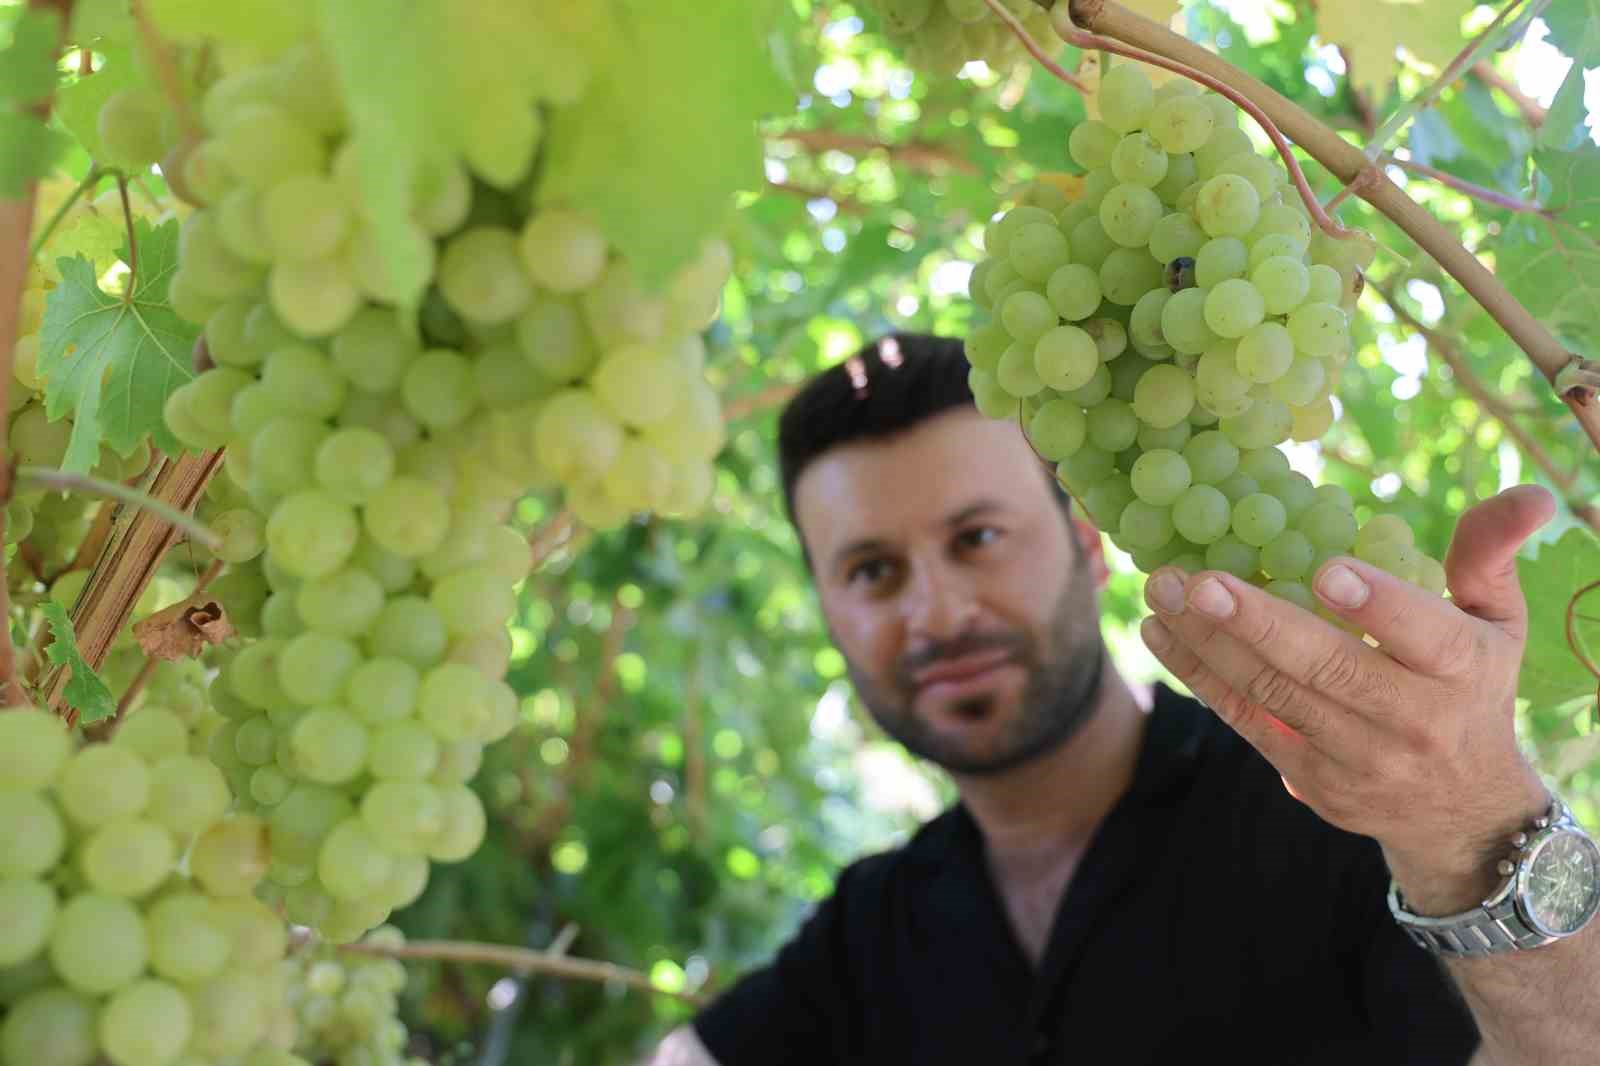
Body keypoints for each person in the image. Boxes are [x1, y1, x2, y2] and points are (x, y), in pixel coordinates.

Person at [647, 333, 1600, 1066]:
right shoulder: (871, 931)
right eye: (871, 570)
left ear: (1090, 546)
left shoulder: (1339, 809)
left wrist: (1470, 826)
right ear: (827, 610)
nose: (935, 611)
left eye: (977, 537)